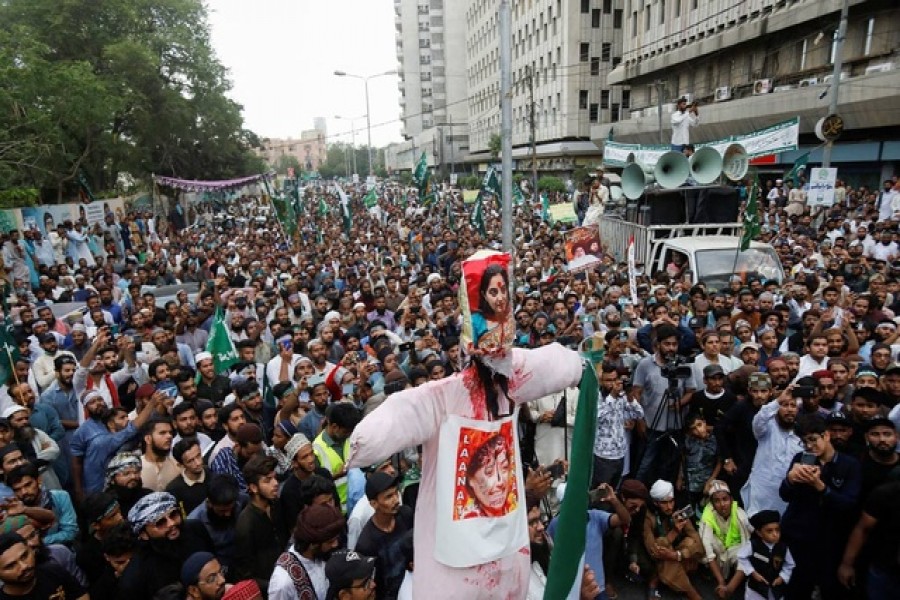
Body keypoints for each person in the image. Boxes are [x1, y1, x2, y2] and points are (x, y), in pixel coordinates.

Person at [779, 414, 860, 600]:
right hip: (798, 536)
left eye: (813, 440)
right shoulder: (801, 459)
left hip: (830, 541)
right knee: (796, 589)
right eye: (804, 441)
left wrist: (820, 487)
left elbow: (848, 504)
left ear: (826, 436)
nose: (809, 446)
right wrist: (790, 480)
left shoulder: (849, 465)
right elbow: (785, 495)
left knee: (830, 589)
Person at [740, 386, 802, 516]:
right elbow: (759, 420)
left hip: (788, 495)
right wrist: (778, 400)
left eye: (793, 405)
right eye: (785, 405)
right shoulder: (767, 428)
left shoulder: (802, 434)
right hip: (763, 493)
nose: (789, 409)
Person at [355, 472, 414, 599]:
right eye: (388, 497)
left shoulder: (406, 515)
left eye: (396, 493)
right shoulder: (366, 543)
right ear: (374, 504)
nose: (396, 500)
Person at [269, 503, 345, 600]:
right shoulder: (283, 581)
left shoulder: (323, 555)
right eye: (330, 541)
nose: (335, 544)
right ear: (313, 544)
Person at [642, 479, 703, 600]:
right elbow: (654, 552)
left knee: (690, 543)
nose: (669, 507)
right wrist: (674, 532)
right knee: (662, 547)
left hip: (674, 556)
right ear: (656, 503)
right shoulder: (649, 518)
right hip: (652, 560)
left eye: (671, 502)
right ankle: (692, 593)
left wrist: (677, 555)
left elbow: (699, 545)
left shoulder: (678, 514)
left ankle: (657, 582)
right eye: (664, 503)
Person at [697, 480, 752, 598]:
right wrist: (721, 582)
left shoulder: (740, 516)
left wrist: (728, 589)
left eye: (725, 499)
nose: (722, 504)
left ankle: (731, 586)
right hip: (718, 549)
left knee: (744, 556)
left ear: (731, 500)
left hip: (734, 549)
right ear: (711, 503)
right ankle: (718, 577)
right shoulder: (707, 515)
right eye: (717, 501)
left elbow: (747, 551)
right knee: (703, 546)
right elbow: (708, 551)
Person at [0, 531, 87, 600]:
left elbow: (80, 595)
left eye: (24, 556)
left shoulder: (52, 571)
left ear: (31, 550)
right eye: (11, 566)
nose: (24, 566)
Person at [470, 263, 514, 353]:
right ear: (484, 295)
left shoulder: (510, 314)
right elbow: (467, 351)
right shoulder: (475, 321)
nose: (500, 298)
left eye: (503, 290)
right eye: (493, 292)